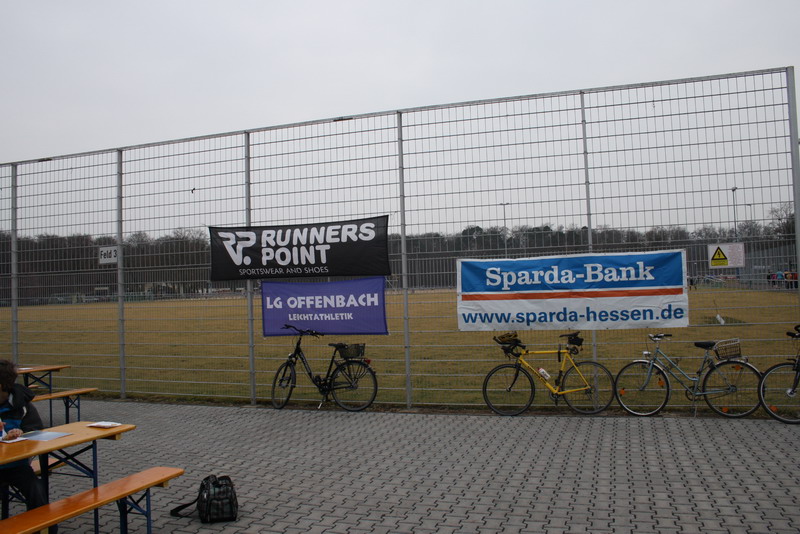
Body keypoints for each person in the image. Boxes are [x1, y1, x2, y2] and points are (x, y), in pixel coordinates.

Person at [0, 359, 57, 533]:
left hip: (16, 466)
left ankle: (43, 528)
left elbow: (36, 433)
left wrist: (20, 435)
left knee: (37, 491)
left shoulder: (21, 405)